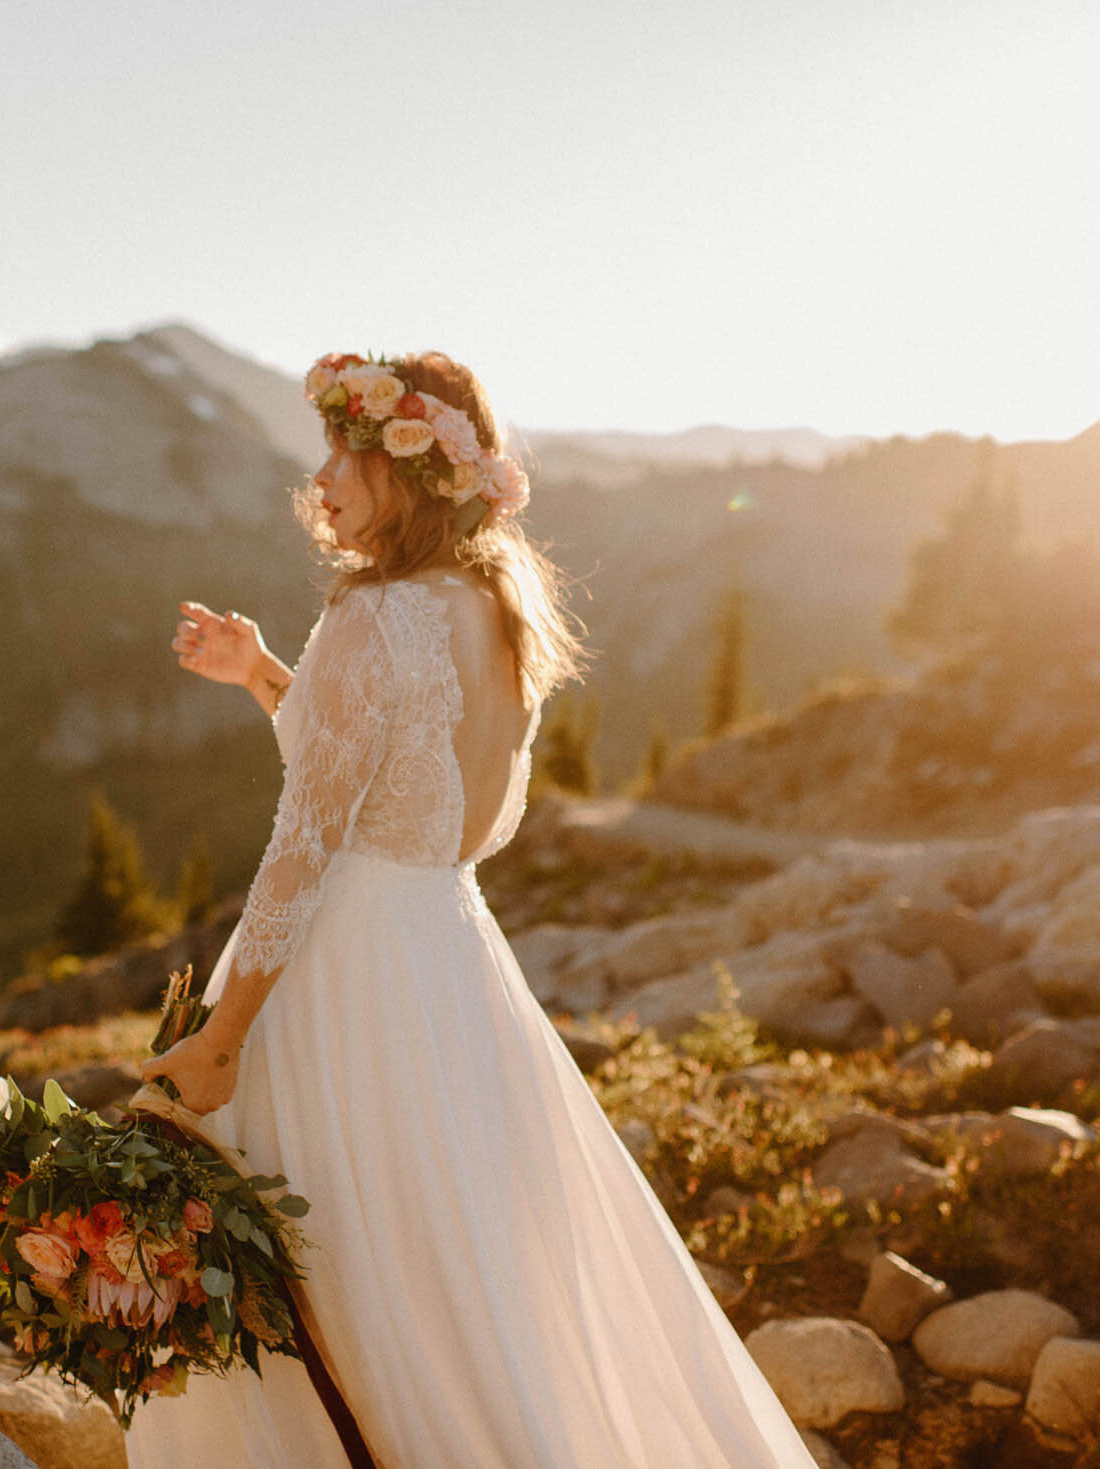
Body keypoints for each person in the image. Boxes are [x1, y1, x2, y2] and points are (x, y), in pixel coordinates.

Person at [132, 352, 815, 1467]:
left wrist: (221, 1036)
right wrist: (263, 672)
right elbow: (391, 781)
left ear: (406, 467)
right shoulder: (492, 608)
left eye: (342, 458)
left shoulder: (375, 615)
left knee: (334, 1268)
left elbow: (307, 844)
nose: (322, 481)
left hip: (339, 978)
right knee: (460, 1274)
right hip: (445, 963)